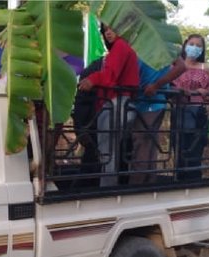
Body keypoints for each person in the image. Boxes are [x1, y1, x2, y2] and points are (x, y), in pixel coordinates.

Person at [78, 23, 140, 186]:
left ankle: (107, 188)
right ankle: (110, 185)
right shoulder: (122, 48)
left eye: (112, 29)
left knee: (107, 152)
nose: (108, 33)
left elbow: (110, 75)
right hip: (123, 103)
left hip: (116, 103)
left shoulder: (120, 46)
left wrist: (92, 79)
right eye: (105, 30)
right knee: (112, 151)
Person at [128, 56, 186, 184]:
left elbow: (181, 66)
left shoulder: (164, 42)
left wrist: (156, 85)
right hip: (138, 101)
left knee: (142, 144)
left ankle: (135, 187)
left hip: (151, 102)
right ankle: (148, 183)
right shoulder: (139, 42)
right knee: (147, 145)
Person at [172, 34, 209, 180]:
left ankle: (194, 182)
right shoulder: (175, 65)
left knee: (195, 152)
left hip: (198, 114)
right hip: (180, 112)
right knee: (181, 151)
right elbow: (173, 89)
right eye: (191, 44)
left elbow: (206, 94)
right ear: (186, 45)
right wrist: (192, 92)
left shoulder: (205, 68)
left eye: (198, 46)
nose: (194, 48)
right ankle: (179, 182)